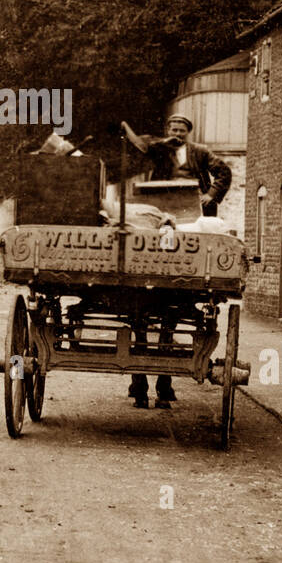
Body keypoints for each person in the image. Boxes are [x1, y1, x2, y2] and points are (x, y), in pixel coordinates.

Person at [119, 115, 233, 408]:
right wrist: (161, 142)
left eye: (182, 130)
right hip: (161, 210)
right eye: (173, 129)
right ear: (167, 130)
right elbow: (140, 145)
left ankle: (162, 382)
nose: (177, 134)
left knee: (189, 242)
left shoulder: (200, 153)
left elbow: (223, 172)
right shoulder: (159, 147)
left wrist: (210, 195)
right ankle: (141, 381)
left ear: (189, 133)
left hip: (191, 214)